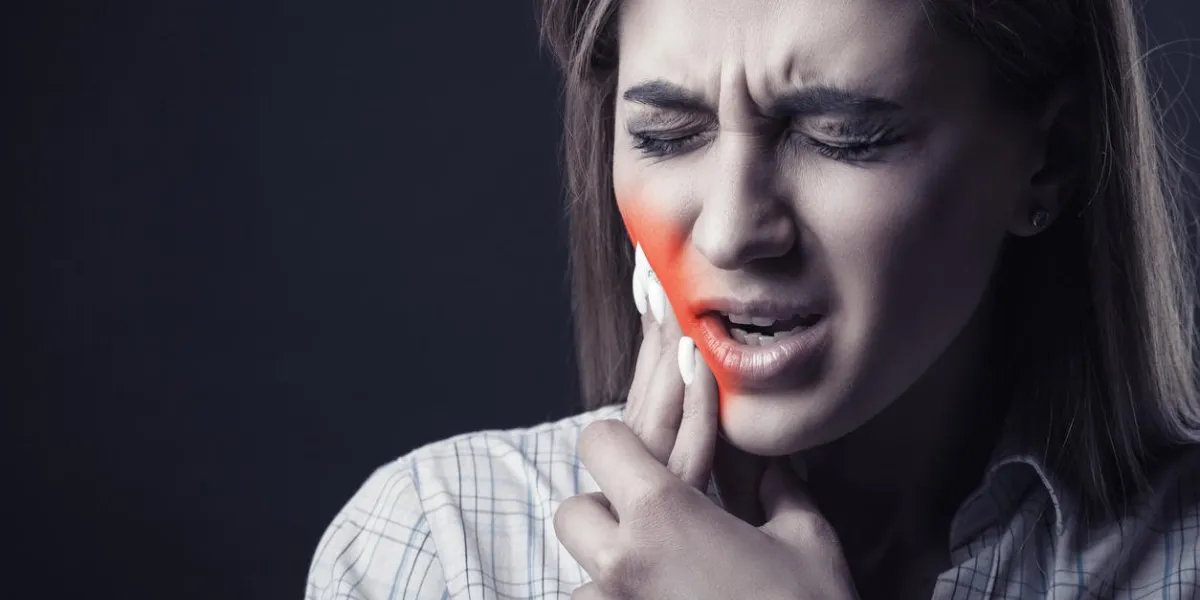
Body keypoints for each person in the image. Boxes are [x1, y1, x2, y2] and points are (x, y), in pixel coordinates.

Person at [305, 0, 1200, 597]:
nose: (732, 231)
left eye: (843, 136)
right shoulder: (436, 549)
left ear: (1050, 158)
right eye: (666, 134)